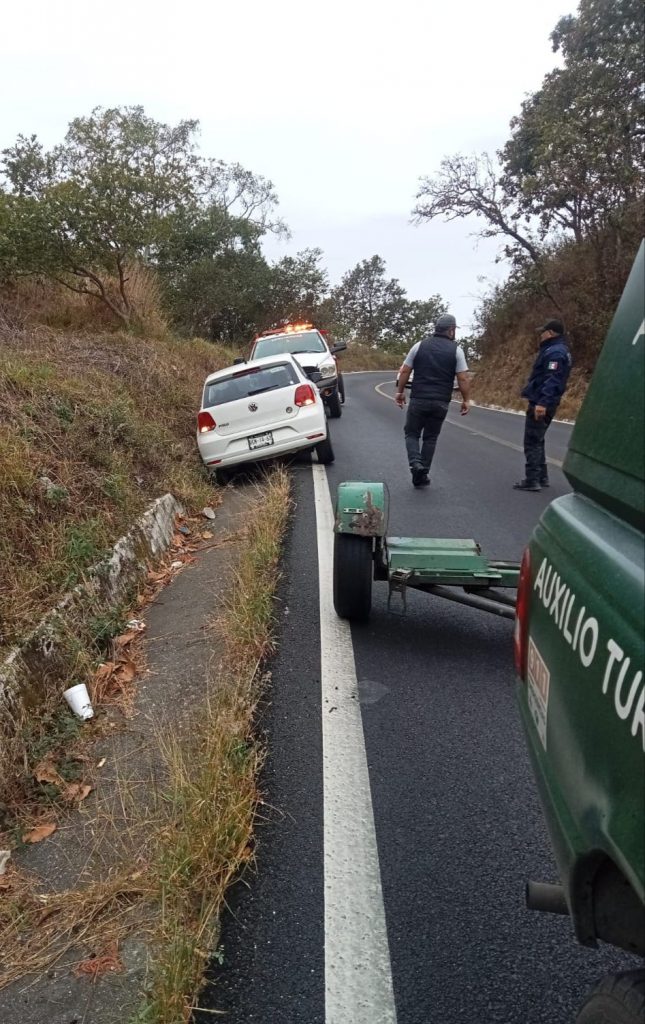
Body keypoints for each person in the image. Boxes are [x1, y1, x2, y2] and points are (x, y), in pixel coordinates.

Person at [395, 313, 470, 487]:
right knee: (431, 437)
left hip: (419, 398)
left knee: (412, 433)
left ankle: (415, 463)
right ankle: (422, 473)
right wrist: (466, 399)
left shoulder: (419, 346)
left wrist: (400, 392)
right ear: (451, 330)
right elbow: (463, 378)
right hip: (441, 402)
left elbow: (405, 371)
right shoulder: (456, 350)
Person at [514, 318, 572, 492]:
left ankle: (532, 479)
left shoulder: (555, 353)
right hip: (547, 401)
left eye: (543, 332)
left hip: (543, 402)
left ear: (551, 333)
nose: (541, 335)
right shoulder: (559, 350)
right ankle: (541, 476)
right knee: (538, 438)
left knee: (532, 440)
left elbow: (552, 379)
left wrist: (542, 403)